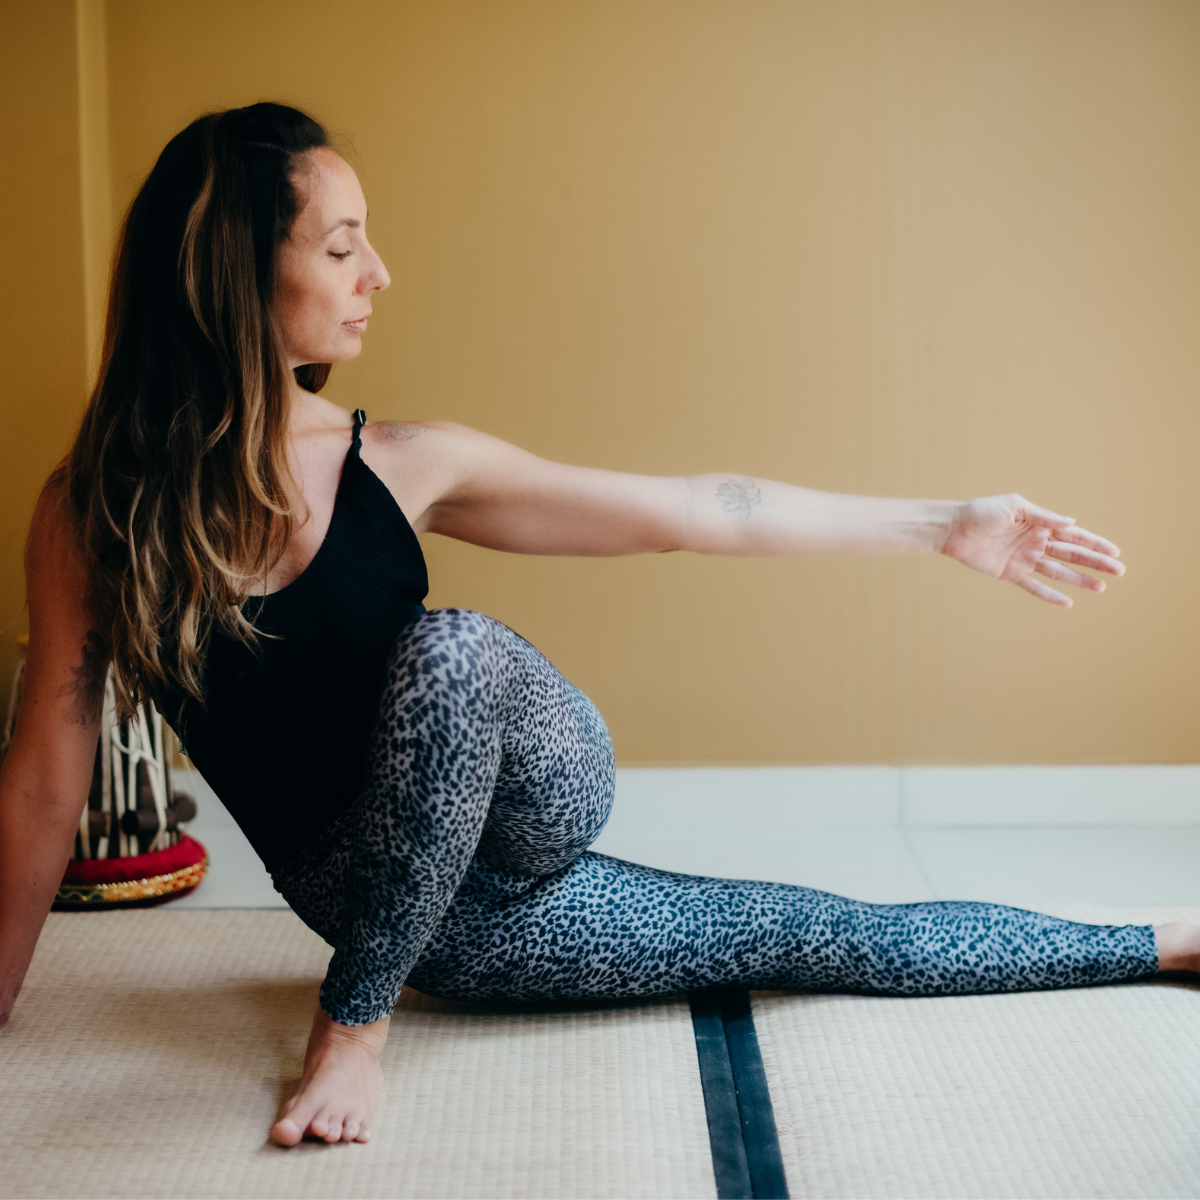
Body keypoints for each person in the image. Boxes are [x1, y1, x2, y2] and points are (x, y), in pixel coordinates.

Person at [1, 103, 1195, 1149]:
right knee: (806, 931)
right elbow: (45, 790)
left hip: (531, 798)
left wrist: (944, 525)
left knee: (453, 648)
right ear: (231, 278)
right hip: (442, 924)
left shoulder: (405, 462)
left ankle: (352, 1028)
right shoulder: (95, 521)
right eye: (343, 247)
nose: (381, 276)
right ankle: (1173, 941)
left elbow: (691, 511)